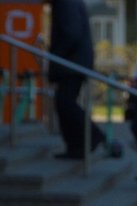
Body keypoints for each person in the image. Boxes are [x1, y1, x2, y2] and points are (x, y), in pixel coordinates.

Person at [47, 0, 104, 160]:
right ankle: (77, 146)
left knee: (64, 101)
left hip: (72, 62)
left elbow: (71, 33)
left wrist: (55, 55)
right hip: (76, 61)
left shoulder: (65, 3)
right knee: (64, 102)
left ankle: (91, 135)